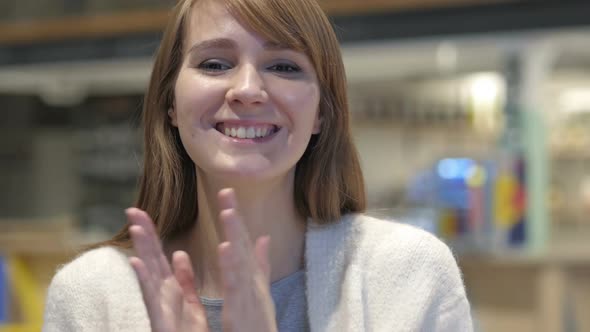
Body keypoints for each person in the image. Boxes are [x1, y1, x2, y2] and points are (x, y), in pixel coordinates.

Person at [42, 0, 473, 331]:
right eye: (214, 64)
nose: (247, 90)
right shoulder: (91, 296)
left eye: (284, 66)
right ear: (170, 102)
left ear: (322, 112)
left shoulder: (406, 274)